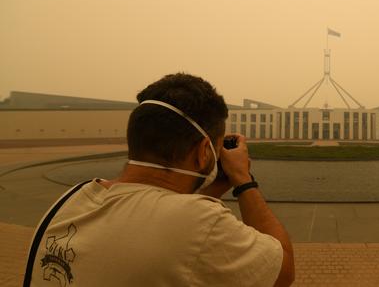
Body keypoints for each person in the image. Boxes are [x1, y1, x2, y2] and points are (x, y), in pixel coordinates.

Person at [27, 73, 294, 286]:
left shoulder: (70, 201)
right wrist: (243, 180)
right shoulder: (201, 222)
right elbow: (282, 270)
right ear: (204, 152)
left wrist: (210, 189)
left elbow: (152, 217)